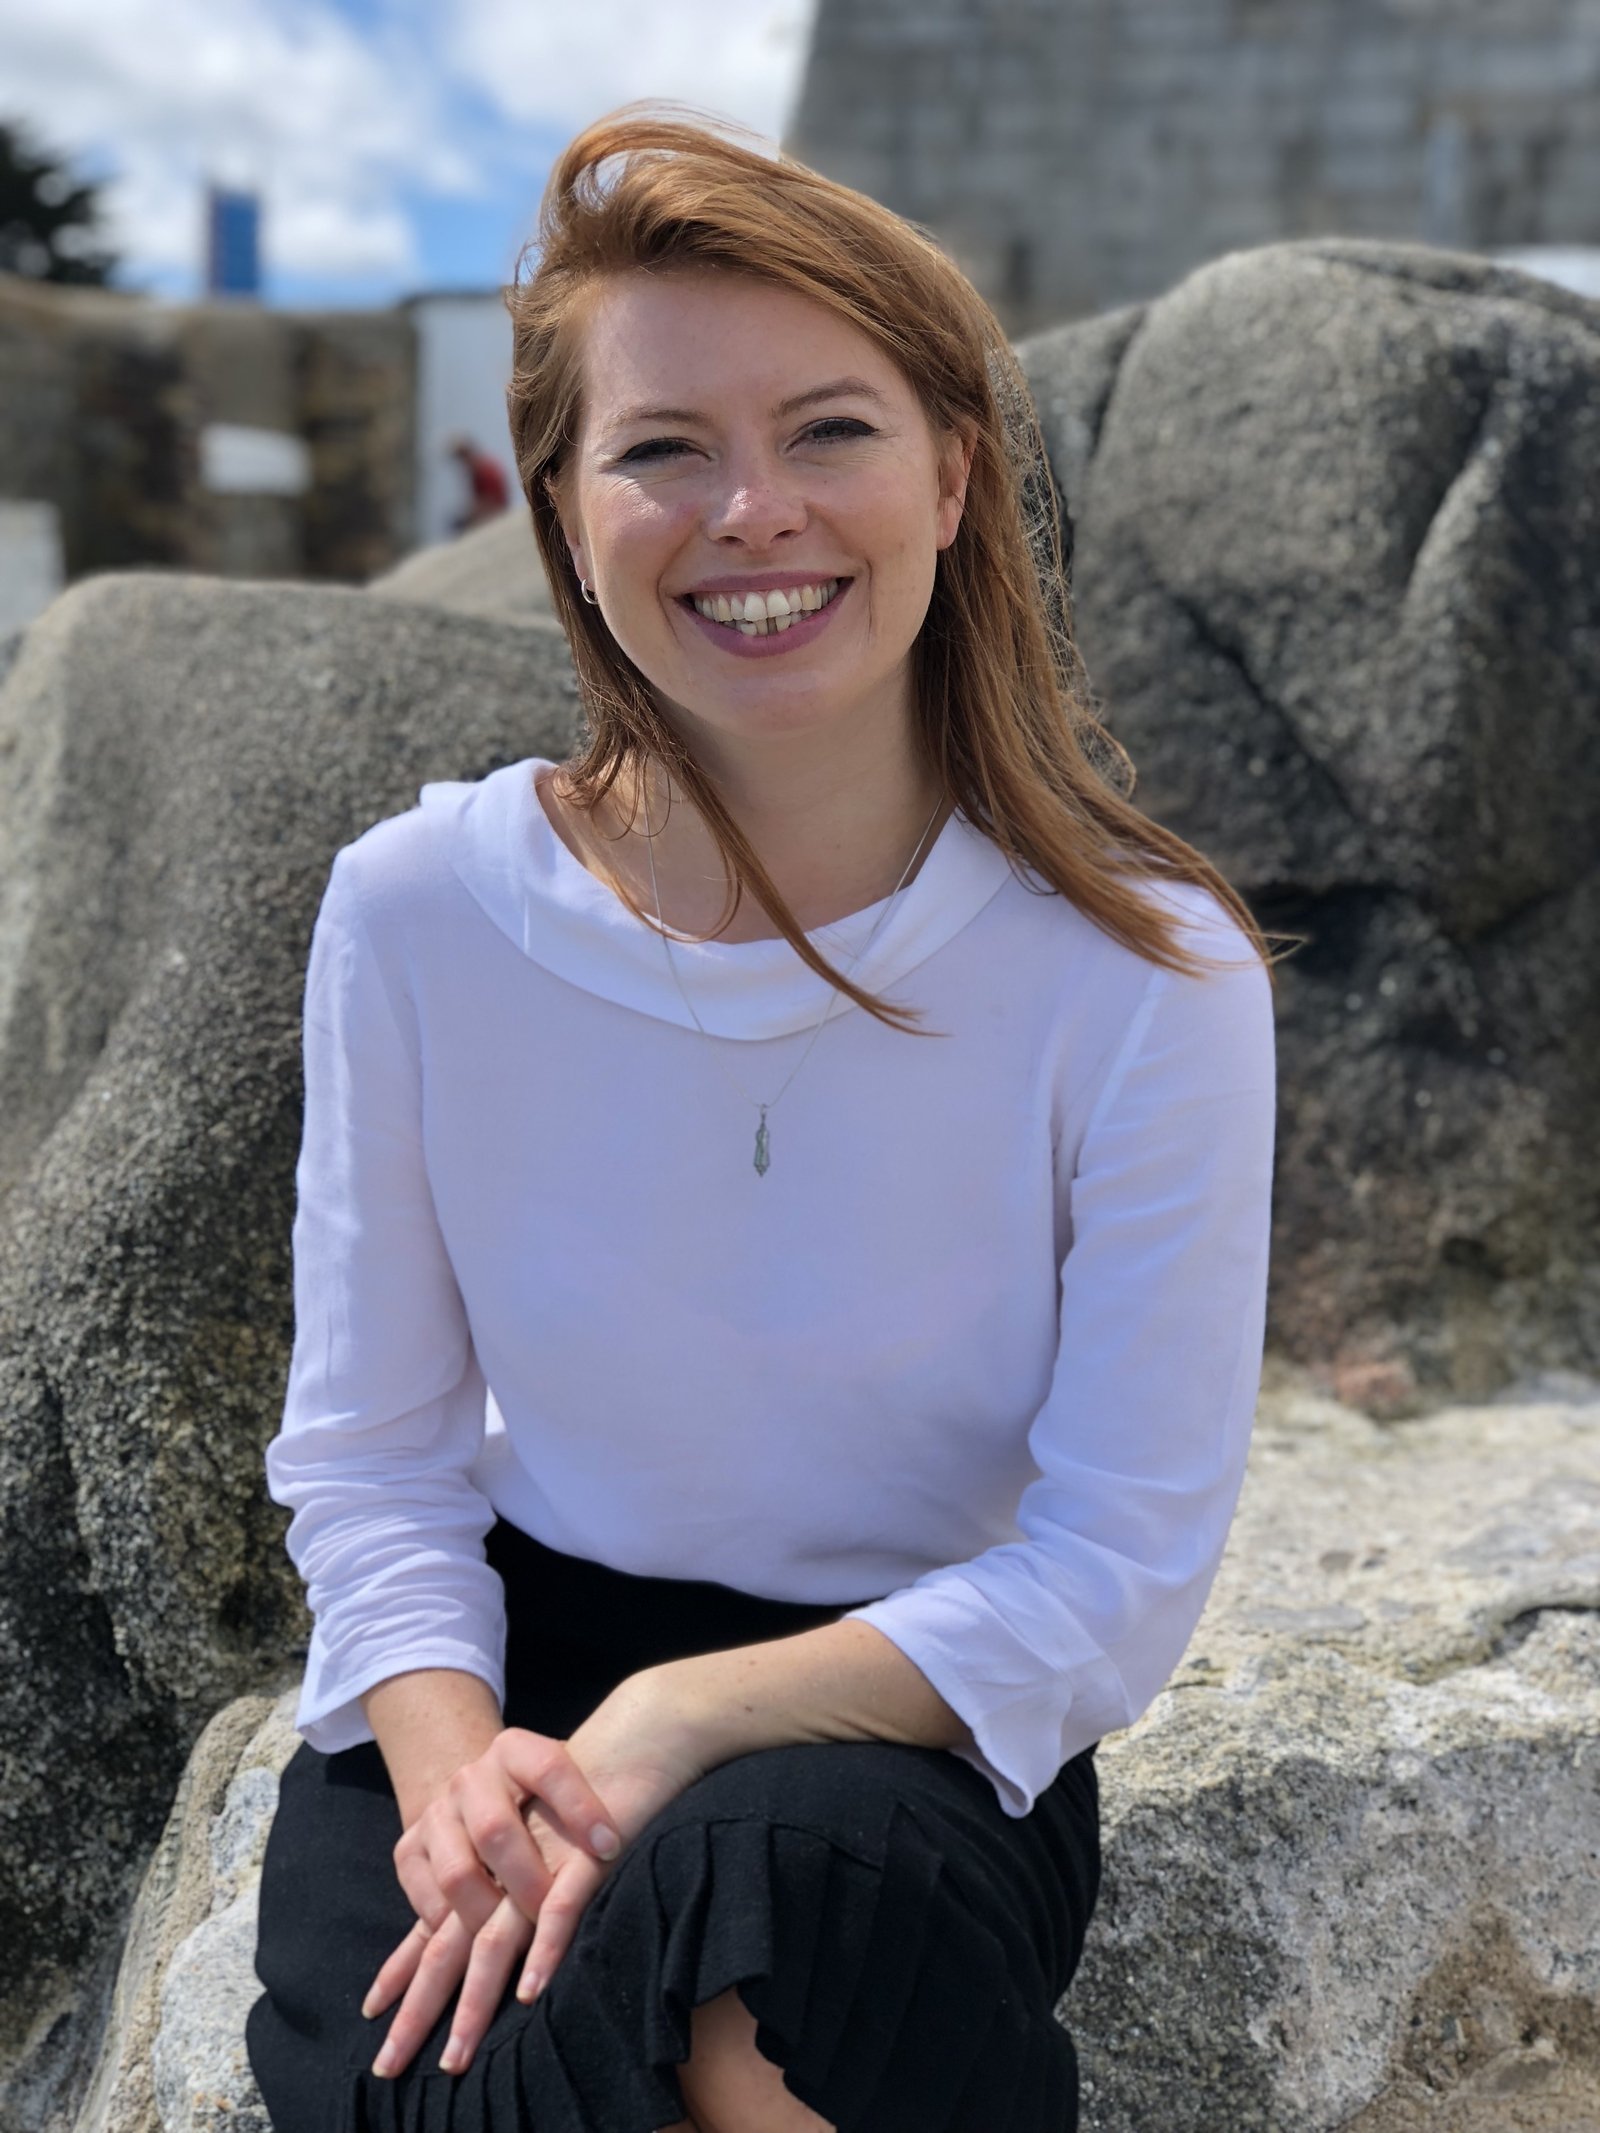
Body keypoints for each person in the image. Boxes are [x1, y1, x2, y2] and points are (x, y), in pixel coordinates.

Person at [245, 103, 1287, 2133]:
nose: (752, 512)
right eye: (659, 449)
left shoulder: (1143, 971)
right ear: (556, 506)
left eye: (827, 430)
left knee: (783, 1928)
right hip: (492, 1685)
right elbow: (368, 1460)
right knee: (487, 2050)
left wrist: (681, 1720)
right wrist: (464, 1773)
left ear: (953, 477)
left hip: (900, 1709)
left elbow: (1112, 1568)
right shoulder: (419, 910)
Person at [449, 433, 512, 532]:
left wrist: (469, 516)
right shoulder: (480, 469)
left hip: (495, 514)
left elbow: (491, 500)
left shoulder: (482, 470)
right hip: (493, 512)